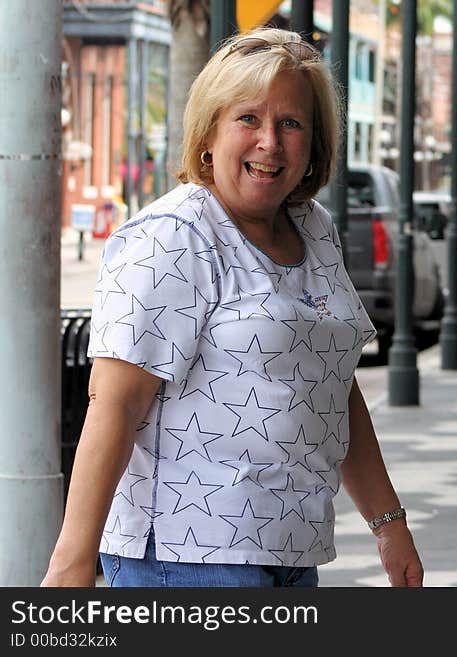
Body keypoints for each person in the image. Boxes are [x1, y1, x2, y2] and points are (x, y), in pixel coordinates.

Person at [42, 28, 422, 588]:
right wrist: (72, 566)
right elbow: (113, 406)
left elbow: (332, 387)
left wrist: (388, 523)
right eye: (248, 118)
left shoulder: (315, 229)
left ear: (314, 143)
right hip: (188, 554)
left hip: (291, 549)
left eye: (291, 123)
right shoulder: (175, 235)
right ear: (209, 134)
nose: (270, 141)